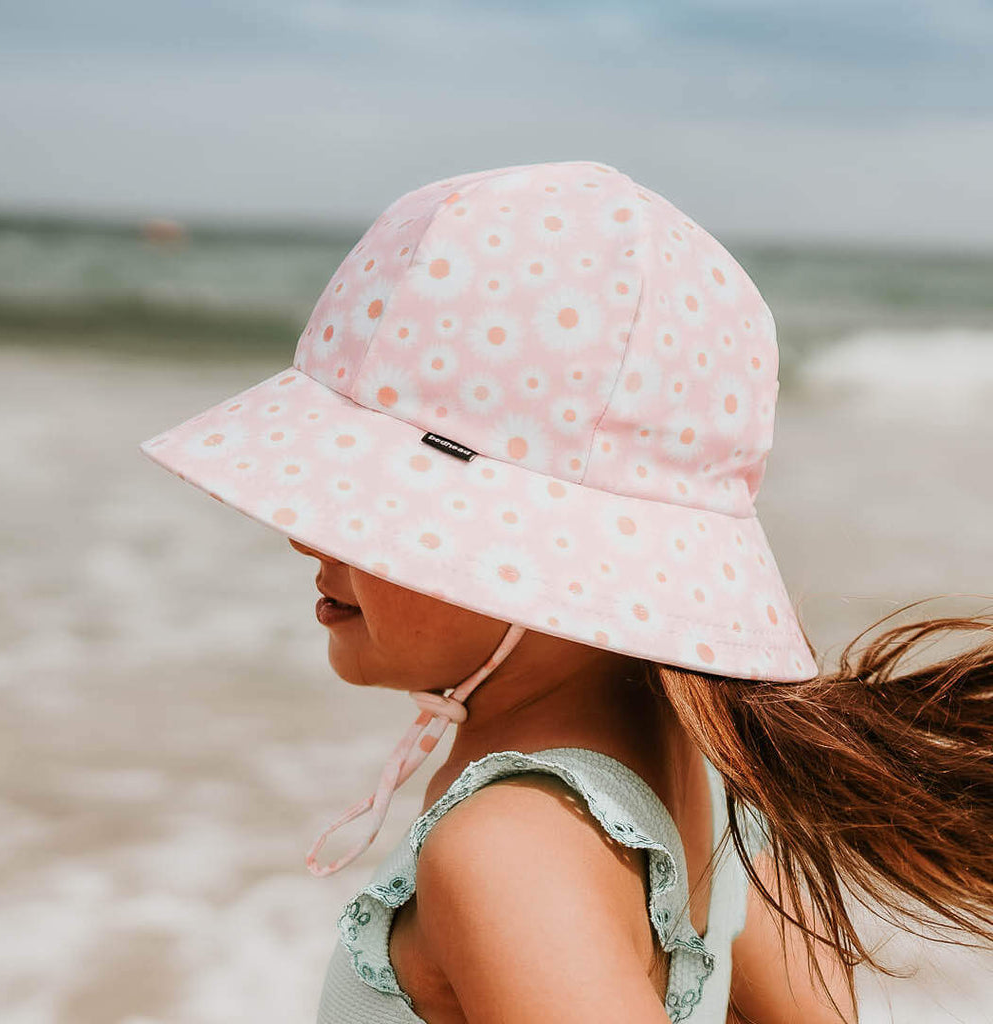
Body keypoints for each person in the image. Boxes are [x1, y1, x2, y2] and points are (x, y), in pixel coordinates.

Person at [139, 160, 993, 1024]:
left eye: (372, 503)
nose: (305, 534)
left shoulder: (511, 851)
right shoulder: (720, 780)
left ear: (545, 546)